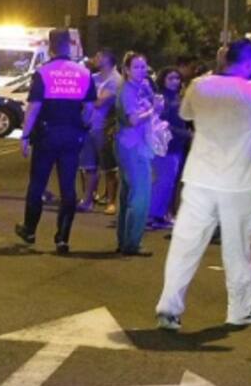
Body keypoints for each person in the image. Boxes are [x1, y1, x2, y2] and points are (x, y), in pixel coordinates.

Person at [154, 38, 251, 331]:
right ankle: (239, 310)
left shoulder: (200, 85)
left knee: (185, 246)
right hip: (237, 182)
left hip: (199, 176)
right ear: (250, 62)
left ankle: (169, 306)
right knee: (237, 250)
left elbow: (186, 114)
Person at [14, 29, 96, 254]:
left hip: (47, 135)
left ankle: (30, 230)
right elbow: (89, 109)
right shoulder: (84, 73)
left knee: (38, 183)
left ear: (50, 47)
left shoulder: (43, 73)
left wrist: (25, 135)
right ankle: (62, 238)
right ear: (69, 46)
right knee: (68, 187)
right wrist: (82, 125)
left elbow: (34, 108)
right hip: (72, 135)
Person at [115, 52, 161, 256]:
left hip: (134, 144)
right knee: (140, 195)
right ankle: (132, 242)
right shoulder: (127, 90)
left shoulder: (141, 88)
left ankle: (126, 240)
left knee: (129, 194)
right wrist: (154, 110)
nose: (141, 71)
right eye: (136, 67)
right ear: (126, 70)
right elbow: (133, 119)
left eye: (144, 67)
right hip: (132, 145)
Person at [79, 49, 122, 213]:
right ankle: (88, 199)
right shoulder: (94, 78)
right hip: (88, 125)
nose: (94, 59)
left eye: (98, 56)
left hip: (105, 128)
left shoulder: (116, 80)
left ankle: (111, 202)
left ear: (107, 59)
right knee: (88, 166)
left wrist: (86, 98)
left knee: (109, 167)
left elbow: (98, 102)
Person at [149, 67, 191, 228]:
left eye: (177, 78)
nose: (175, 82)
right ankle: (153, 215)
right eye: (170, 78)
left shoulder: (178, 97)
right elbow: (162, 123)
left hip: (177, 144)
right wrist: (186, 134)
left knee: (170, 181)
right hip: (165, 144)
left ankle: (162, 214)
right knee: (164, 181)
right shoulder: (161, 98)